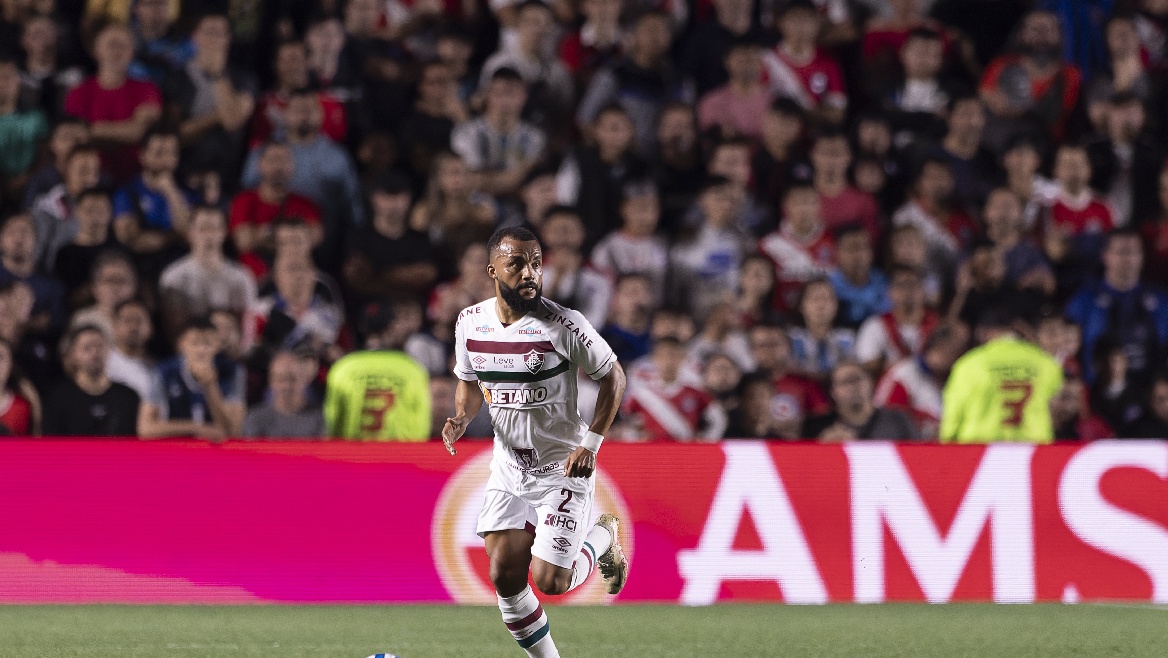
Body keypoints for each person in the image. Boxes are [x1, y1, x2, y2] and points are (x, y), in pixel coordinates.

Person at [442, 226, 629, 658]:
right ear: (493, 270)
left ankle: (603, 537)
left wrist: (591, 444)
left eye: (537, 263)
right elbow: (469, 382)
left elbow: (614, 377)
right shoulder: (469, 323)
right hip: (509, 468)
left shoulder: (564, 324)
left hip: (562, 466)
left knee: (551, 581)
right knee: (505, 577)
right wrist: (462, 417)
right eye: (517, 264)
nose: (529, 273)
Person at [940, 308, 1063, 443]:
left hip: (979, 448)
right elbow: (1057, 409)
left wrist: (947, 441)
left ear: (982, 332)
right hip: (1032, 448)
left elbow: (953, 414)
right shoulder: (1045, 363)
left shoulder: (969, 364)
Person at [162, 13, 255, 189]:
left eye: (220, 33)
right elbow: (174, 135)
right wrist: (219, 114)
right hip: (183, 176)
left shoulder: (244, 79)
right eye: (209, 32)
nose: (214, 39)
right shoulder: (176, 78)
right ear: (195, 37)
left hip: (227, 179)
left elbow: (232, 122)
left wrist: (217, 75)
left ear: (228, 39)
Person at [1065, 228, 1168, 386]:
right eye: (1121, 252)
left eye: (1134, 252)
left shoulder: (1160, 300)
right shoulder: (1084, 300)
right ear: (1105, 256)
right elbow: (1068, 350)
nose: (1128, 258)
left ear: (1142, 256)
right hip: (1097, 390)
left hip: (1148, 390)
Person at [63, 22, 162, 183]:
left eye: (123, 46)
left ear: (132, 52)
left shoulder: (147, 89)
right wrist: (124, 132)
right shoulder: (78, 93)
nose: (117, 51)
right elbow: (77, 137)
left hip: (137, 178)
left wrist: (93, 131)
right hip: (92, 178)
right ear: (96, 50)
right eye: (112, 45)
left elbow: (139, 132)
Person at [324, 301, 431, 441]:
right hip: (398, 452)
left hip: (354, 452)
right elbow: (421, 425)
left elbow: (332, 423)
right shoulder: (412, 369)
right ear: (391, 328)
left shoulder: (343, 368)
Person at [159, 206, 256, 341]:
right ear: (190, 233)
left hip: (229, 346)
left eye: (214, 229)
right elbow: (175, 330)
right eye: (203, 229)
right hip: (192, 346)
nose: (209, 236)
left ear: (224, 233)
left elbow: (246, 331)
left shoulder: (241, 276)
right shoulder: (173, 277)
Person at [138, 317, 245, 440]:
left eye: (208, 343)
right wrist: (195, 428)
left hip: (217, 449)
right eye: (195, 343)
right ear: (181, 344)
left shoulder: (232, 371)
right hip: (177, 446)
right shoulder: (164, 372)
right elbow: (145, 429)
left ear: (218, 345)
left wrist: (211, 387)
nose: (201, 350)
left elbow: (233, 431)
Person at [229, 141, 322, 278]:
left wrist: (261, 234)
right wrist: (290, 238)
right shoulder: (243, 200)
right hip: (252, 279)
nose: (278, 166)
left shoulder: (305, 204)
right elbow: (243, 241)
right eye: (273, 160)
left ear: (292, 165)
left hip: (295, 278)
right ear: (260, 164)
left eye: (284, 160)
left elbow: (314, 238)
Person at [451, 68, 546, 197]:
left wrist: (491, 179)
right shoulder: (466, 133)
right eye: (498, 94)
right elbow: (473, 181)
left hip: (520, 204)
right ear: (487, 95)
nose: (505, 101)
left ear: (524, 96)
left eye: (511, 94)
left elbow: (532, 184)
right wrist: (521, 172)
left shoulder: (535, 137)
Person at [620, 336, 726, 441]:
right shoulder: (641, 394)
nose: (668, 361)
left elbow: (719, 420)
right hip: (652, 450)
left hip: (684, 450)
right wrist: (636, 436)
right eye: (662, 356)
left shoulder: (695, 392)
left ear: (683, 358)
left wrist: (705, 441)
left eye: (673, 355)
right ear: (654, 358)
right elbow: (625, 420)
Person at [111, 128, 195, 259]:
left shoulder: (188, 192)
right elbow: (128, 238)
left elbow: (189, 233)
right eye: (159, 153)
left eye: (172, 153)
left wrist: (170, 191)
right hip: (141, 263)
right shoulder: (127, 192)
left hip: (179, 262)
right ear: (143, 156)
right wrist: (174, 238)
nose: (166, 160)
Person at [875, 321, 968, 439]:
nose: (962, 356)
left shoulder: (954, 378)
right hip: (907, 445)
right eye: (958, 350)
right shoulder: (903, 374)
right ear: (941, 346)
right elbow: (885, 420)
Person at [42, 324, 139, 436]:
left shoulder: (128, 397)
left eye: (100, 346)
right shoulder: (58, 399)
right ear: (73, 354)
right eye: (87, 348)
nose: (95, 352)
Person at [763, 0, 847, 125]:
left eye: (806, 19)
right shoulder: (766, 60)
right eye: (794, 19)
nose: (800, 25)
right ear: (781, 22)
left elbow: (837, 113)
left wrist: (803, 114)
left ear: (817, 23)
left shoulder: (828, 64)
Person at [803, 361, 918, 440]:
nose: (852, 386)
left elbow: (916, 454)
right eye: (845, 382)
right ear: (833, 392)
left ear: (871, 383)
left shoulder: (898, 419)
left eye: (857, 379)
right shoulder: (816, 426)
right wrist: (823, 448)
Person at [855, 265, 937, 375]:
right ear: (889, 292)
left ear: (924, 290)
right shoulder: (875, 326)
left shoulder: (938, 325)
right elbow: (867, 367)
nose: (907, 290)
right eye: (901, 285)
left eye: (913, 284)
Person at [697, 36, 772, 140]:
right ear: (727, 62)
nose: (747, 65)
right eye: (741, 60)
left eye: (752, 59)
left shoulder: (773, 102)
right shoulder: (711, 102)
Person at [243, 350, 325, 439]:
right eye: (281, 379)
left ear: (304, 381)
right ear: (271, 381)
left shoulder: (316, 418)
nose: (286, 385)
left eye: (292, 379)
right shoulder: (256, 418)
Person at [829, 224, 890, 329]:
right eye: (851, 248)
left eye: (863, 247)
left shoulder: (884, 283)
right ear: (837, 252)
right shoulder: (828, 286)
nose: (858, 255)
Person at [106, 298, 153, 400]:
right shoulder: (105, 364)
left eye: (139, 320)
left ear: (150, 327)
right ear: (114, 327)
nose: (133, 327)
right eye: (127, 321)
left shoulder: (159, 368)